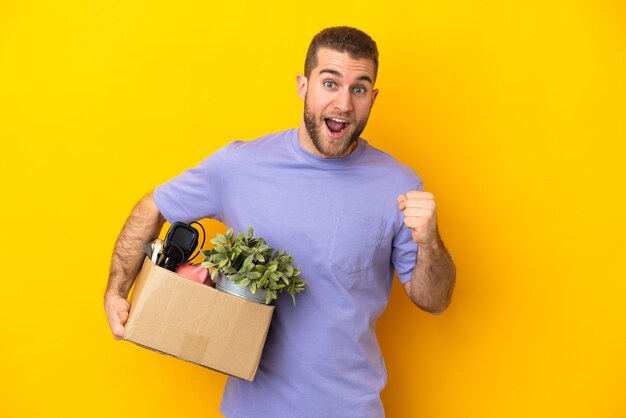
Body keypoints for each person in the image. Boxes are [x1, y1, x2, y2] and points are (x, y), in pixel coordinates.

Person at [105, 26, 456, 418]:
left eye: (359, 89)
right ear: (303, 86)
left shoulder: (399, 185)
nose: (343, 103)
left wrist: (430, 242)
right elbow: (154, 205)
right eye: (330, 83)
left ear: (372, 98)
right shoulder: (240, 166)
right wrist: (117, 292)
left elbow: (434, 300)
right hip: (250, 409)